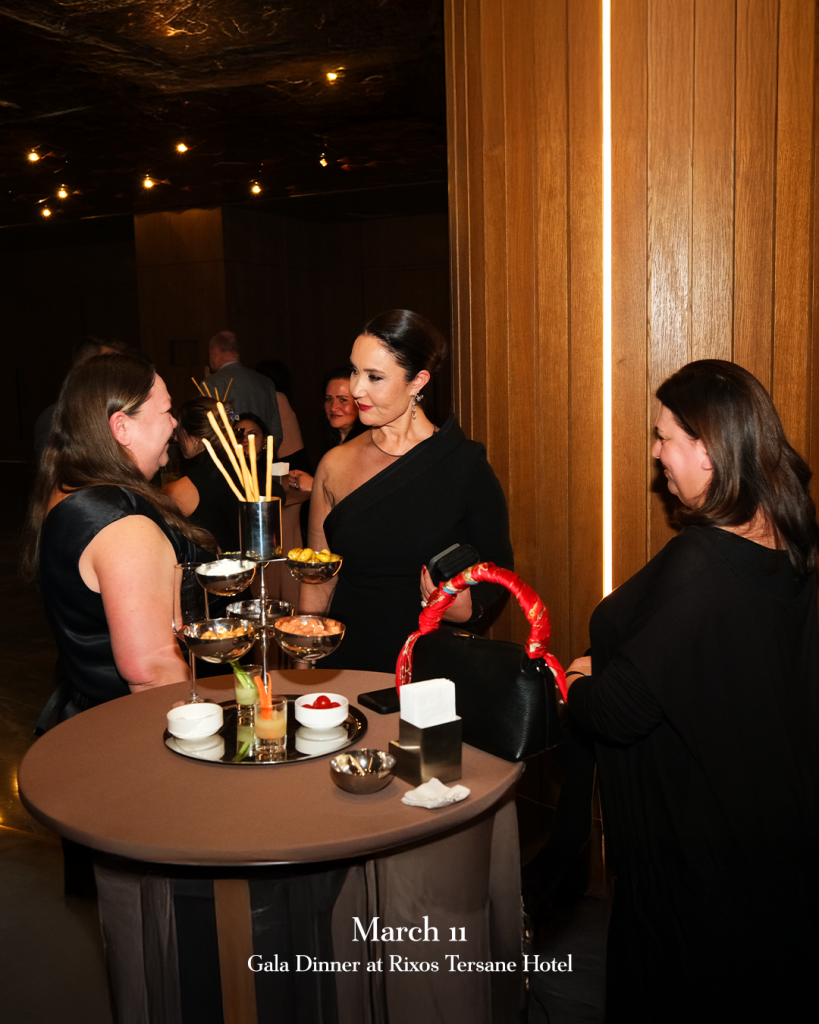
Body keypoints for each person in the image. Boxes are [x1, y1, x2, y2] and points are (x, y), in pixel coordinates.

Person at [564, 360, 819, 1021]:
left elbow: (619, 711)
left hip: (694, 847)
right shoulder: (788, 533)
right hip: (772, 830)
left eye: (663, 437)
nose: (655, 454)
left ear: (707, 449)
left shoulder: (700, 562)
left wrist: (578, 681)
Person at [299, 309, 514, 672]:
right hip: (345, 663)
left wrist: (467, 607)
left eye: (374, 377)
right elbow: (318, 578)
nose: (356, 389)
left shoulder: (463, 465)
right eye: (354, 371)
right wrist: (303, 668)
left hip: (430, 665)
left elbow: (499, 565)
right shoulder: (334, 464)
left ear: (418, 382)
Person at [23, 352, 216, 717]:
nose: (175, 423)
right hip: (144, 721)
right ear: (122, 427)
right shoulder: (124, 525)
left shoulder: (69, 490)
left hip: (94, 712)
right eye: (166, 411)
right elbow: (152, 671)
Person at [162, 398, 285, 553]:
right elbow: (279, 493)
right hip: (253, 562)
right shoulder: (245, 467)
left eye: (180, 432)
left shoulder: (184, 487)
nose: (176, 438)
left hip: (213, 566)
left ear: (196, 438)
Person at [33, 336, 128, 458]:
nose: (120, 377)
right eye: (111, 369)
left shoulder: (118, 412)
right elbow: (51, 468)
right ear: (87, 370)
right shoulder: (54, 418)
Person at [198, 331, 283, 454]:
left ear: (215, 351)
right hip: (262, 458)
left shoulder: (212, 383)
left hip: (229, 459)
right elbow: (276, 431)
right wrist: (264, 455)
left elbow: (207, 430)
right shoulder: (266, 382)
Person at [289, 366, 367, 496]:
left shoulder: (369, 445)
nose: (333, 407)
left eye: (343, 400)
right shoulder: (334, 439)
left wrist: (314, 485)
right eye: (329, 399)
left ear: (361, 403)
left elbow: (362, 495)